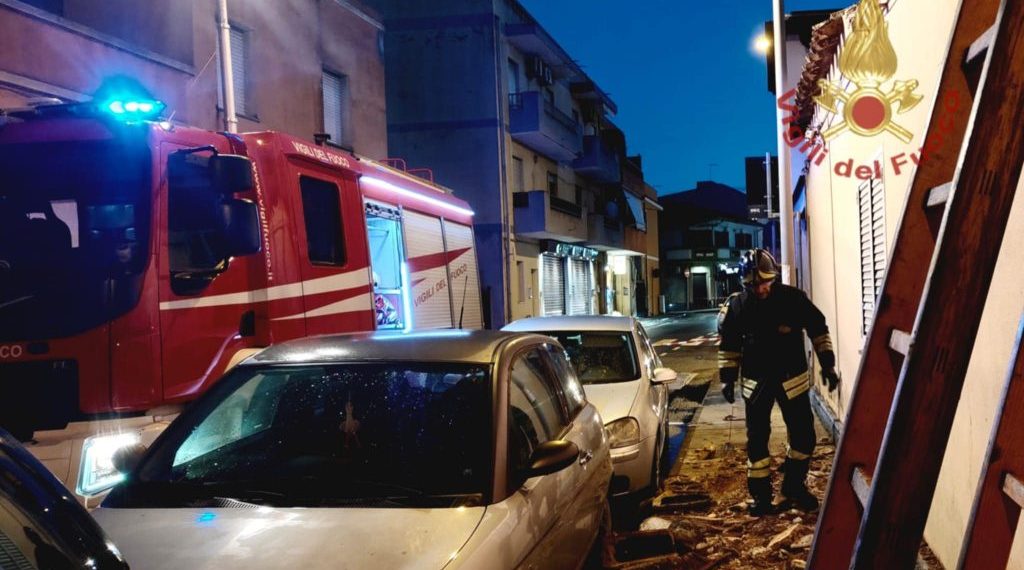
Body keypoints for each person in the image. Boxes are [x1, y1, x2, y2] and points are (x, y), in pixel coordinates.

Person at [717, 248, 840, 515]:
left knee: (804, 436)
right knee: (757, 442)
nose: (760, 289)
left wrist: (828, 364)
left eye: (764, 282)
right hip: (756, 383)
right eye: (753, 285)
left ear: (773, 277)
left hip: (791, 380)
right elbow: (729, 346)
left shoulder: (793, 300)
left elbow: (818, 327)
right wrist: (726, 379)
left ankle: (794, 487)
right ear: (745, 283)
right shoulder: (738, 306)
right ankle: (761, 497)